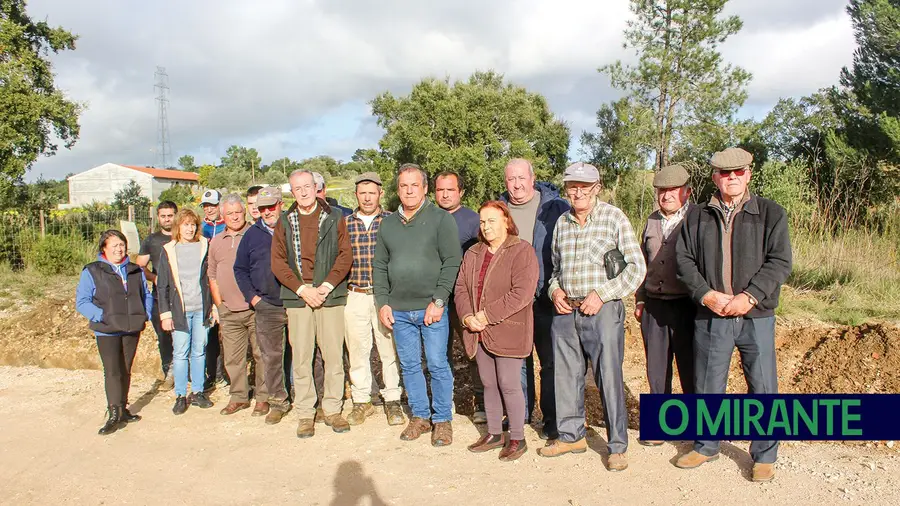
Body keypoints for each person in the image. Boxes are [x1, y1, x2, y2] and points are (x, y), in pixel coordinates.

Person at [674, 147, 792, 482]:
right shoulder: (696, 216)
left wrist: (750, 296)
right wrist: (706, 295)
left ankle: (765, 454)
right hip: (711, 315)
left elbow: (780, 262)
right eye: (725, 173)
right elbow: (684, 261)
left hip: (756, 316)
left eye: (738, 172)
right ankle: (706, 445)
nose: (732, 178)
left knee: (763, 385)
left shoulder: (770, 213)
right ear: (715, 177)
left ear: (749, 174)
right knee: (708, 383)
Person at [539, 162, 646, 473]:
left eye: (585, 185)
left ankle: (617, 446)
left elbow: (636, 268)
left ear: (597, 187)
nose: (578, 191)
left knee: (608, 377)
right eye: (573, 185)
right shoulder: (561, 222)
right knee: (565, 376)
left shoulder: (614, 218)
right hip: (565, 311)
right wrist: (555, 291)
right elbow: (556, 271)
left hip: (602, 311)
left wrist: (601, 294)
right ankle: (571, 436)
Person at [373, 163, 461, 446]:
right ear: (397, 190)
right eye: (403, 186)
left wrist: (439, 300)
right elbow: (380, 266)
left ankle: (442, 420)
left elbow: (452, 261)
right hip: (398, 309)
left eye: (415, 185)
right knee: (410, 366)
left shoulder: (440, 219)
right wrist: (383, 302)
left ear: (424, 188)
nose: (409, 190)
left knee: (437, 364)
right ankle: (420, 417)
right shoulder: (387, 224)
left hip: (431, 308)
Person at [272, 170, 353, 438]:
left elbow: (344, 255)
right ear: (291, 192)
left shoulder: (334, 217)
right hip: (298, 297)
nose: (304, 192)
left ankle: (332, 409)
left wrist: (325, 286)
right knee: (302, 357)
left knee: (333, 355)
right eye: (298, 188)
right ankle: (305, 413)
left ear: (316, 187)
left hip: (330, 295)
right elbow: (278, 262)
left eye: (308, 186)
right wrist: (302, 289)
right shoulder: (284, 222)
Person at [455, 201, 539, 461]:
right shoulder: (474, 253)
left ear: (506, 221)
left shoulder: (522, 250)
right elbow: (460, 289)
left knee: (509, 384)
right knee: (488, 383)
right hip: (478, 329)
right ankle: (493, 433)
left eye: (492, 220)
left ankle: (517, 438)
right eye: (482, 222)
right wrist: (468, 317)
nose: (486, 226)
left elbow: (522, 293)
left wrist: (487, 315)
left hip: (508, 329)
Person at [499, 158, 570, 440]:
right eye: (510, 180)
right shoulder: (500, 209)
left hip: (547, 295)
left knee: (550, 361)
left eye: (520, 178)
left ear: (532, 178)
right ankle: (521, 413)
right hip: (514, 296)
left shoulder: (556, 207)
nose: (516, 185)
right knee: (517, 359)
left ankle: (552, 419)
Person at [634, 164, 696, 446]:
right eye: (661, 191)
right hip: (655, 306)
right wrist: (640, 298)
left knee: (690, 368)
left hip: (687, 306)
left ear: (687, 192)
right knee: (656, 370)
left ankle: (695, 429)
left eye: (672, 190)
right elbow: (640, 263)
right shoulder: (651, 220)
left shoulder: (698, 219)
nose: (666, 195)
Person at [76, 230, 153, 435]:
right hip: (107, 330)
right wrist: (102, 316)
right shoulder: (92, 271)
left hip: (131, 328)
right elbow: (82, 301)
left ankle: (123, 408)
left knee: (125, 368)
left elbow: (146, 294)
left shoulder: (135, 270)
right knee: (112, 370)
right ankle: (113, 413)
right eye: (114, 246)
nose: (119, 249)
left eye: (122, 245)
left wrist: (146, 314)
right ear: (104, 248)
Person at [343, 172, 405, 427]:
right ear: (356, 195)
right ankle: (362, 400)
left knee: (388, 350)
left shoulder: (392, 221)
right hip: (355, 293)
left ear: (380, 193)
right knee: (357, 351)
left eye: (372, 192)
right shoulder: (345, 223)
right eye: (362, 193)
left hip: (384, 296)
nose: (367, 197)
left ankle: (392, 400)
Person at [234, 186, 290, 424]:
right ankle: (278, 402)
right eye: (262, 208)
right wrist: (253, 298)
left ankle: (312, 402)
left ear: (281, 205)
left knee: (309, 353)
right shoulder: (251, 234)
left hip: (297, 302)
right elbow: (240, 269)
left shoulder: (292, 227)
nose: (267, 212)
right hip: (267, 304)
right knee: (271, 356)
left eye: (271, 206)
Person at [209, 194, 268, 416]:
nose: (234, 217)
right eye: (229, 213)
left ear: (244, 212)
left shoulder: (255, 235)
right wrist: (219, 304)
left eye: (237, 212)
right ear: (222, 216)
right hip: (229, 310)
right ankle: (239, 397)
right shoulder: (216, 242)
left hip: (254, 308)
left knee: (262, 355)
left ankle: (263, 398)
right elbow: (212, 275)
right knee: (233, 358)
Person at [433, 170, 485, 422]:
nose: (444, 194)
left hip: (464, 300)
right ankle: (444, 403)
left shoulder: (474, 221)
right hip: (434, 299)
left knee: (472, 351)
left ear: (461, 192)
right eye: (440, 190)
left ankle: (482, 404)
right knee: (438, 354)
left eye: (450, 190)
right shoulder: (427, 218)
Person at [157, 209, 215, 415]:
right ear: (178, 227)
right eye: (185, 224)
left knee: (199, 351)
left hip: (202, 308)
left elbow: (211, 278)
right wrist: (165, 314)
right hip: (179, 311)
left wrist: (214, 307)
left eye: (192, 224)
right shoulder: (169, 250)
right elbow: (162, 284)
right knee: (181, 353)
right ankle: (181, 395)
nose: (189, 228)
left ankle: (198, 392)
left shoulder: (204, 246)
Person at [136, 201, 177, 390]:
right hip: (160, 297)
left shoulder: (184, 235)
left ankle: (188, 373)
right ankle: (169, 373)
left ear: (176, 215)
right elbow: (140, 266)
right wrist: (155, 278)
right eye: (163, 216)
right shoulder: (151, 240)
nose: (167, 219)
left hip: (183, 296)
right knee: (164, 336)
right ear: (158, 217)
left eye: (170, 215)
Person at [200, 189, 226, 389]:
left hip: (226, 283)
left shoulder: (229, 225)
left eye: (213, 205)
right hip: (206, 284)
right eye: (206, 206)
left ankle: (228, 373)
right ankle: (212, 372)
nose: (209, 209)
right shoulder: (200, 229)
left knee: (229, 331)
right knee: (209, 331)